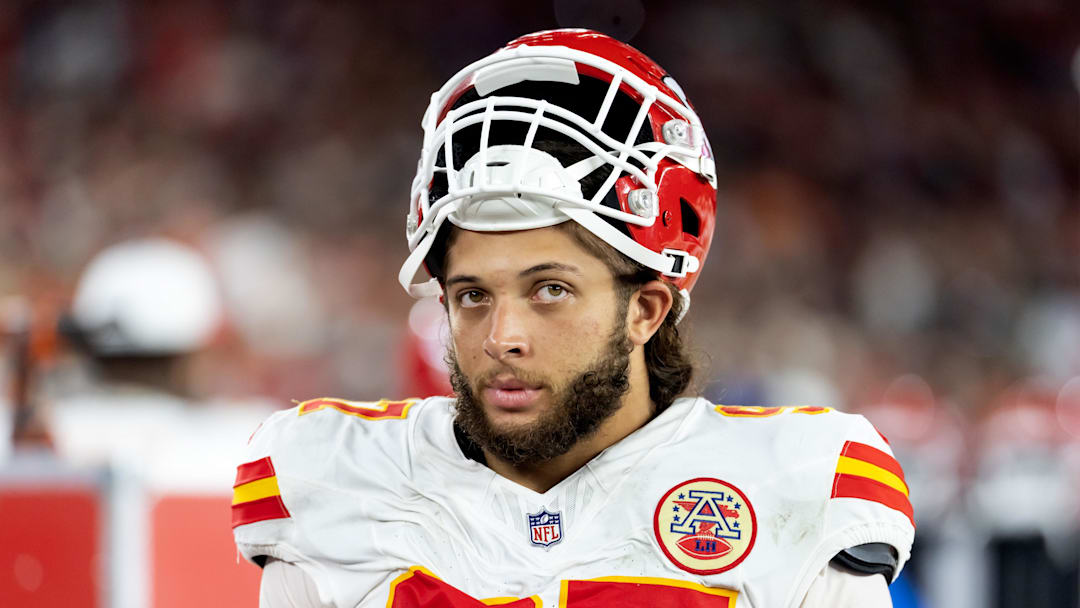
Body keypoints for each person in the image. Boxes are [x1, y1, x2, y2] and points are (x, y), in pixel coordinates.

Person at [232, 29, 915, 607]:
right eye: (472, 295)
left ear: (646, 308)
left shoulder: (794, 485)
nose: (503, 338)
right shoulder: (330, 480)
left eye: (550, 290)